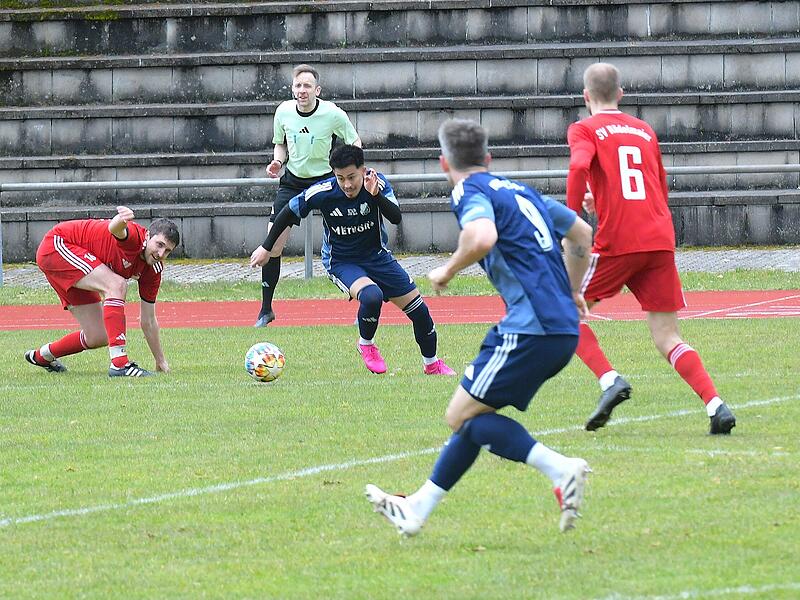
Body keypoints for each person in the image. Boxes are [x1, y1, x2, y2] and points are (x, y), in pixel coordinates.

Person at [365, 119, 595, 537]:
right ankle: (417, 507)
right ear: (488, 159)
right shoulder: (520, 190)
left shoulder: (469, 190)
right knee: (472, 416)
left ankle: (561, 470)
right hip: (558, 328)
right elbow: (581, 233)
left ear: (443, 164)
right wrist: (572, 290)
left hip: (531, 327)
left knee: (460, 415)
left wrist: (448, 269)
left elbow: (482, 236)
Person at [566, 62, 736, 435]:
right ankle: (715, 405)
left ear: (586, 96)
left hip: (620, 241)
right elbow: (655, 186)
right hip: (658, 238)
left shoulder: (583, 128)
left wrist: (570, 217)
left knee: (562, 312)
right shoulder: (644, 130)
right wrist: (604, 199)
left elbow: (579, 167)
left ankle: (610, 379)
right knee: (667, 335)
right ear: (621, 94)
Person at [250, 144, 455, 376]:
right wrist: (267, 248)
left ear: (363, 170)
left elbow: (396, 217)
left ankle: (432, 365)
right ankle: (366, 345)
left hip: (377, 257)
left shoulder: (377, 184)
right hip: (341, 261)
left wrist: (376, 195)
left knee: (420, 312)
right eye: (340, 178)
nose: (347, 184)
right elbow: (287, 212)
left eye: (351, 177)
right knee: (371, 295)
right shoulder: (323, 191)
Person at [256, 63, 362, 327]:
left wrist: (350, 171)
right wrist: (277, 163)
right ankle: (266, 309)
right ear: (293, 89)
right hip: (292, 182)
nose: (302, 91)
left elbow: (354, 142)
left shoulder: (333, 114)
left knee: (349, 235)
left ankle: (361, 292)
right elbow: (280, 143)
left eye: (307, 86)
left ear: (317, 89)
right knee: (274, 243)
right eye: (297, 86)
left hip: (325, 181)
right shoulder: (283, 112)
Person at [24, 206, 179, 378]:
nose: (160, 253)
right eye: (159, 245)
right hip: (58, 245)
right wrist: (121, 219)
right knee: (116, 284)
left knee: (99, 336)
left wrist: (160, 360)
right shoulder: (135, 237)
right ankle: (120, 364)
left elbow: (148, 320)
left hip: (78, 259)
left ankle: (42, 356)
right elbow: (115, 228)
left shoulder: (153, 270)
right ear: (148, 236)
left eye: (167, 251)